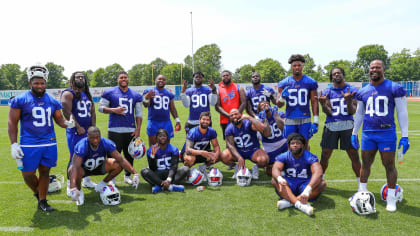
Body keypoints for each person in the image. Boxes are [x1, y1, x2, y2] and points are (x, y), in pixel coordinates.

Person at [8, 63, 75, 212]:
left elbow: (58, 119)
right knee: (27, 174)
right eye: (36, 82)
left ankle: (42, 201)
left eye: (42, 83)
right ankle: (38, 193)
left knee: (45, 172)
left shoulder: (52, 100)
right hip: (29, 143)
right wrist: (14, 144)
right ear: (30, 83)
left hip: (49, 142)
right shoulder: (20, 100)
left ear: (46, 83)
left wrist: (68, 124)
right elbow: (12, 123)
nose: (39, 85)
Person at [351, 60, 410, 212]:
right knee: (365, 164)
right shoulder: (363, 91)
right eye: (372, 68)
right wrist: (354, 133)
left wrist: (405, 136)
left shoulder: (394, 87)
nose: (374, 70)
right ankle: (361, 192)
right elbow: (359, 114)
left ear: (384, 69)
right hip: (368, 133)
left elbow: (402, 112)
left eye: (377, 67)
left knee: (389, 165)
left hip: (386, 132)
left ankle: (391, 198)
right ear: (368, 70)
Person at [68, 127, 140, 205]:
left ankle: (103, 183)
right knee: (72, 169)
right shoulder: (82, 145)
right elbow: (75, 166)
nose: (95, 140)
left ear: (100, 135)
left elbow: (121, 159)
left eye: (97, 137)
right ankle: (79, 191)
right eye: (92, 138)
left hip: (99, 166)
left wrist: (135, 173)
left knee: (118, 164)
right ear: (88, 137)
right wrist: (73, 187)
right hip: (84, 169)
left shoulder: (105, 142)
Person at [98, 71, 143, 185]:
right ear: (117, 80)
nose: (123, 79)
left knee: (130, 154)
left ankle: (127, 175)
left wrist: (138, 129)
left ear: (128, 79)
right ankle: (112, 178)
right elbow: (100, 108)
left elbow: (139, 113)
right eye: (121, 77)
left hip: (130, 129)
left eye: (125, 77)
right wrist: (114, 110)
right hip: (114, 129)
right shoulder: (110, 93)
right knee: (113, 155)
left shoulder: (135, 95)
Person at [318, 67, 361, 183]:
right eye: (334, 74)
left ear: (343, 75)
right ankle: (319, 180)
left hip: (348, 126)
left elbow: (352, 111)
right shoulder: (327, 92)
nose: (336, 75)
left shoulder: (352, 90)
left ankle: (361, 184)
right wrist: (323, 105)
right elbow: (329, 112)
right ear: (331, 77)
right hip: (331, 125)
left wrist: (348, 101)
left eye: (339, 73)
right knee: (325, 154)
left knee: (354, 155)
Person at [271, 133, 326, 216]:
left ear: (303, 146)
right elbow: (275, 168)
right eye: (293, 143)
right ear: (289, 146)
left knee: (322, 183)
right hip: (289, 184)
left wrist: (308, 189)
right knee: (274, 180)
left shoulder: (309, 156)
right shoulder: (283, 156)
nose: (295, 145)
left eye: (298, 143)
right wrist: (279, 178)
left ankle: (290, 202)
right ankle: (301, 205)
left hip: (304, 184)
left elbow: (318, 172)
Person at [61, 71, 97, 191]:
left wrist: (93, 128)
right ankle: (69, 184)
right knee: (75, 158)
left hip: (87, 131)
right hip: (75, 132)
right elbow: (66, 112)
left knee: (88, 156)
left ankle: (86, 180)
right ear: (73, 79)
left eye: (82, 77)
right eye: (78, 77)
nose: (81, 78)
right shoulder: (68, 93)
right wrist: (77, 126)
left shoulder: (86, 94)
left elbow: (92, 113)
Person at [276, 54, 319, 141]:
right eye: (294, 65)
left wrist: (316, 121)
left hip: (305, 117)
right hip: (290, 118)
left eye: (299, 65)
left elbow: (314, 102)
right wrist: (282, 98)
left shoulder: (310, 82)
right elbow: (279, 105)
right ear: (291, 67)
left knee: (305, 144)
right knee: (290, 144)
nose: (297, 67)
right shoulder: (284, 83)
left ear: (302, 66)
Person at [220, 109, 270, 179]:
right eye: (231, 115)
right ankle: (237, 167)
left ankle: (255, 167)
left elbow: (262, 128)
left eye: (236, 114)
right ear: (230, 118)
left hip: (253, 150)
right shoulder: (229, 128)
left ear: (241, 114)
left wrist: (249, 117)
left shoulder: (248, 123)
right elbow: (230, 145)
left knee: (264, 159)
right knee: (224, 156)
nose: (234, 116)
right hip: (239, 151)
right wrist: (239, 157)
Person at [140, 129, 189, 193]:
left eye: (164, 136)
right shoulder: (151, 150)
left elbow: (174, 166)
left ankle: (160, 187)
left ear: (167, 138)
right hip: (157, 174)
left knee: (185, 169)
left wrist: (169, 179)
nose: (162, 138)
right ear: (156, 138)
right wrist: (152, 156)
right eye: (160, 136)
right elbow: (152, 168)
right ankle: (170, 186)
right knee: (144, 171)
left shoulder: (173, 149)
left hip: (170, 174)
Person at [143, 74, 181, 146]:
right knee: (153, 146)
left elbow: (172, 108)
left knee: (166, 146)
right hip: (153, 122)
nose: (161, 81)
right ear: (155, 80)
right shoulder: (150, 91)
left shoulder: (168, 93)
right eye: (159, 79)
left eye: (163, 80)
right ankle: (153, 157)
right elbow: (145, 105)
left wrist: (177, 120)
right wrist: (147, 97)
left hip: (166, 122)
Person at [256, 101, 288, 177]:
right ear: (260, 110)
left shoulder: (278, 114)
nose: (265, 105)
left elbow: (284, 127)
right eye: (262, 105)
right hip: (271, 148)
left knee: (304, 148)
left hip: (284, 143)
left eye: (266, 104)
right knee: (269, 172)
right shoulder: (259, 120)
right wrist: (264, 119)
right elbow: (267, 134)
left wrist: (276, 115)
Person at [215, 70, 247, 140]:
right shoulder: (218, 89)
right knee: (229, 142)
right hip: (225, 120)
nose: (225, 77)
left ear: (230, 76)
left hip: (239, 119)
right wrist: (230, 116)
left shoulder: (238, 87)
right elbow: (217, 106)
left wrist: (236, 115)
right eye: (223, 76)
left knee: (242, 139)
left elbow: (244, 102)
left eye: (227, 75)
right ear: (221, 78)